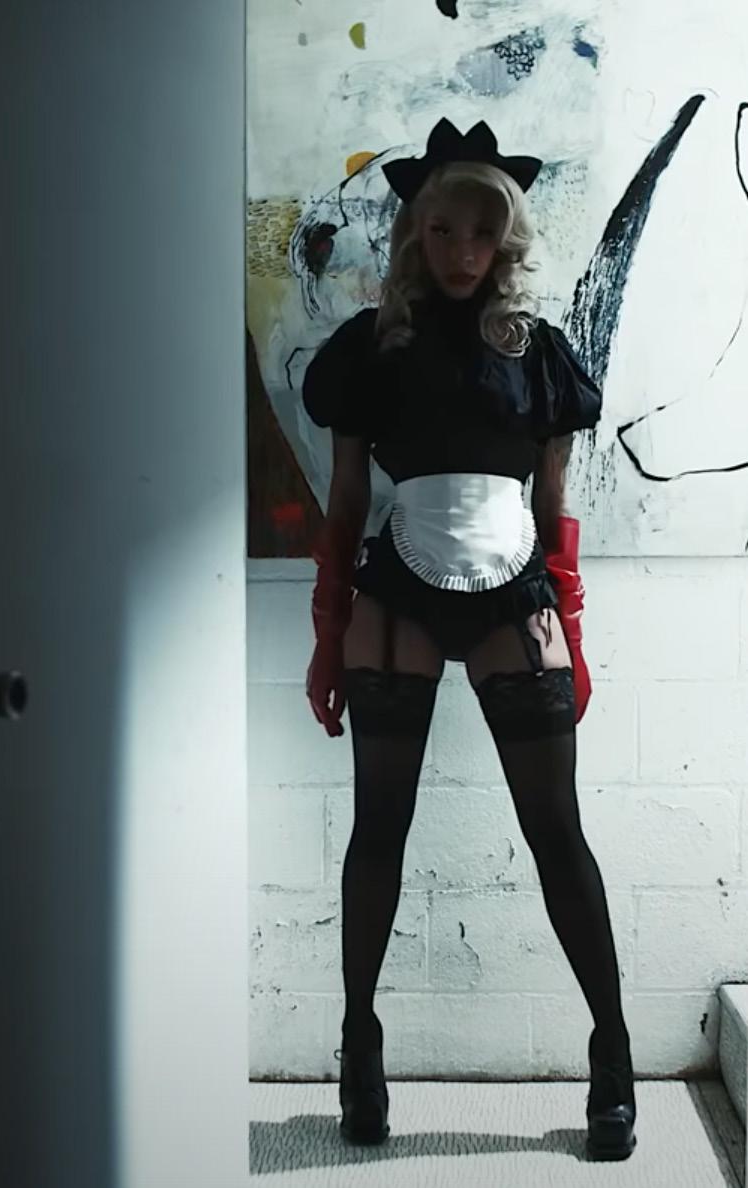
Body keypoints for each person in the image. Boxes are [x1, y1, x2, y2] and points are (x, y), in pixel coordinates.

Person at [301, 118, 636, 1162]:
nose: (460, 250)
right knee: (378, 831)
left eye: (480, 232)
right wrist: (325, 637)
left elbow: (553, 506)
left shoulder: (539, 353)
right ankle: (360, 1046)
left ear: (504, 238)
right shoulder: (371, 346)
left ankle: (612, 1050)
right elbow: (345, 501)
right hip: (394, 590)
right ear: (416, 230)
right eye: (442, 229)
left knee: (555, 831)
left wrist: (570, 633)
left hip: (512, 593)